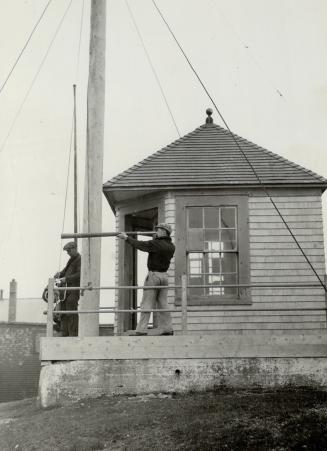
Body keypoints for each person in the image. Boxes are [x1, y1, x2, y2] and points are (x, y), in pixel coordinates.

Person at [118, 223, 175, 336]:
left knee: (146, 304)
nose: (156, 232)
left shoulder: (156, 244)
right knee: (163, 304)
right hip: (164, 277)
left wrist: (126, 238)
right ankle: (168, 329)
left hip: (153, 276)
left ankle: (141, 329)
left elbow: (140, 245)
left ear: (164, 232)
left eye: (158, 230)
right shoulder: (172, 246)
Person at [54, 241, 81, 337]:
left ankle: (73, 333)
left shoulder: (80, 259)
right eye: (67, 251)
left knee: (71, 307)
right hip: (66, 290)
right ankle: (64, 331)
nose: (68, 253)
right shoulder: (71, 260)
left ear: (74, 249)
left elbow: (79, 274)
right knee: (64, 307)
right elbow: (65, 270)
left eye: (69, 251)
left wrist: (66, 279)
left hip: (74, 289)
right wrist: (60, 274)